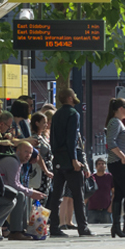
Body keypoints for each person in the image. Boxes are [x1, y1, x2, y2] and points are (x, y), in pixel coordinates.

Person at [49, 88, 92, 235]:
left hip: (58, 159)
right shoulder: (74, 114)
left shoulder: (56, 115)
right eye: (73, 95)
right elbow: (72, 138)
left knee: (56, 196)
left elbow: (52, 138)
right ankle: (82, 227)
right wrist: (74, 159)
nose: (75, 97)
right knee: (78, 195)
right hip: (70, 159)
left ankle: (54, 227)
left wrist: (55, 155)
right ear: (69, 98)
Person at [104, 98, 125, 237]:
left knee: (119, 194)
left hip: (121, 162)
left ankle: (117, 227)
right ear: (120, 108)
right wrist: (123, 156)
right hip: (120, 162)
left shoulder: (118, 122)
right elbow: (110, 142)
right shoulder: (115, 122)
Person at [87, 157, 114, 225]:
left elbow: (114, 193)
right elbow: (87, 192)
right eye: (99, 164)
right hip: (92, 210)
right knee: (91, 230)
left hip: (106, 210)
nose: (101, 165)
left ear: (105, 166)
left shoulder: (110, 177)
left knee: (107, 231)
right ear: (96, 166)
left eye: (103, 164)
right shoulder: (91, 178)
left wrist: (111, 206)